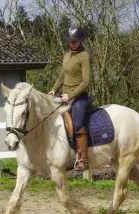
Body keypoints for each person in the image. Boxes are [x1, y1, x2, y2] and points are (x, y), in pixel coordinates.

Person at [48, 26, 92, 171]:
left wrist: (70, 95)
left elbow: (86, 81)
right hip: (64, 96)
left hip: (78, 97)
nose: (72, 43)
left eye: (75, 41)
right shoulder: (66, 55)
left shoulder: (84, 56)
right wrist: (54, 90)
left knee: (78, 123)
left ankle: (83, 159)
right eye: (70, 41)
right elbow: (61, 76)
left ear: (80, 41)